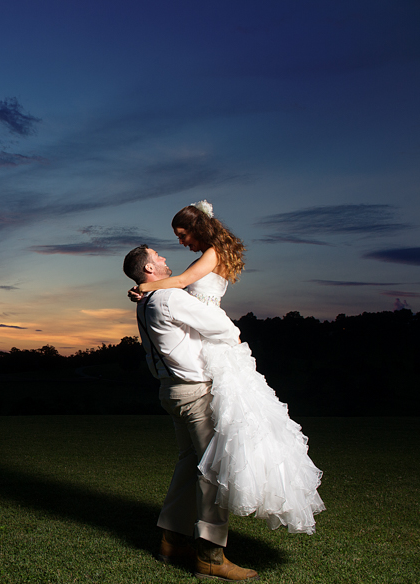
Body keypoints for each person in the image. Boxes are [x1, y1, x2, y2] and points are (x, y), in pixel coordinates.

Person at [131, 201, 325, 538]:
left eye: (182, 234)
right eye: (174, 240)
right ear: (149, 267)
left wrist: (146, 287)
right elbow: (184, 290)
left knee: (200, 458)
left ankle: (177, 537)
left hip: (201, 358)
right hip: (198, 365)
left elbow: (184, 281)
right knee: (208, 462)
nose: (176, 245)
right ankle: (203, 548)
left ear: (199, 228)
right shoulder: (173, 292)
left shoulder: (204, 260)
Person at [123, 243, 258, 581]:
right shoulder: (169, 297)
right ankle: (211, 556)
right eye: (158, 257)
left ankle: (171, 541)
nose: (165, 259)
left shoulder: (146, 302)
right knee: (212, 469)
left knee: (188, 464)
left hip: (170, 391)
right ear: (149, 271)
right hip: (194, 393)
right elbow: (223, 328)